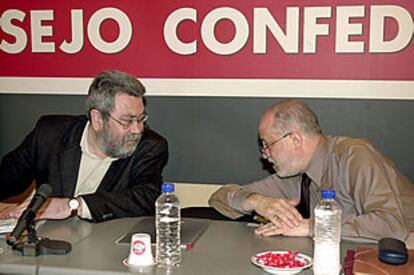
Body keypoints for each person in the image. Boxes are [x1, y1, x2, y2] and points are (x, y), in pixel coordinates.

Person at [209, 99, 414, 241]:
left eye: (267, 145)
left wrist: (310, 227)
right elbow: (219, 198)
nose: (265, 155)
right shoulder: (296, 175)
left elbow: (391, 225)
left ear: (295, 140)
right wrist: (256, 201)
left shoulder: (355, 156)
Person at [0, 70, 168, 223]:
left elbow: (146, 198)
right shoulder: (50, 134)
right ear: (97, 119)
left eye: (141, 119)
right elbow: (6, 181)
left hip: (105, 246)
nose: (137, 129)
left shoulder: (150, 146)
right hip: (48, 242)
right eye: (127, 121)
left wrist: (74, 205)